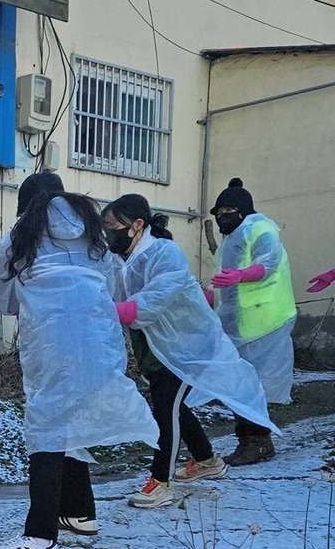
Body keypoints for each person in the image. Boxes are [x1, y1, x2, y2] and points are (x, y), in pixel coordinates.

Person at [0, 171, 157, 549]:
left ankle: (40, 536)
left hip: (52, 343)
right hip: (100, 343)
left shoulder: (17, 239)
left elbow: (5, 300)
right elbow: (113, 289)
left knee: (46, 427)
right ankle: (80, 513)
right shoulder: (95, 238)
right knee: (71, 419)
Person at [104, 194, 271, 509]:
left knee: (165, 409)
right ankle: (207, 460)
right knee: (172, 405)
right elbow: (111, 291)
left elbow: (151, 302)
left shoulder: (164, 254)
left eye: (114, 227)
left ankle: (160, 482)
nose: (109, 233)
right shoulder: (124, 259)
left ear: (137, 225)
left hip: (187, 345)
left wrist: (106, 310)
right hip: (155, 346)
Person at [209, 178, 296, 465]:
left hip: (264, 321)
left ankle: (258, 442)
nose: (223, 217)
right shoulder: (231, 238)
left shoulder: (259, 228)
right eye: (219, 213)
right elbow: (222, 277)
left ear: (243, 210)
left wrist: (241, 275)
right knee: (242, 385)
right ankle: (250, 441)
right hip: (242, 324)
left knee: (253, 386)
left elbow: (268, 262)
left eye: (229, 211)